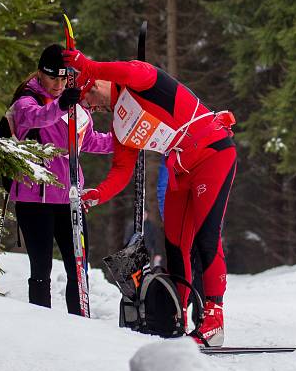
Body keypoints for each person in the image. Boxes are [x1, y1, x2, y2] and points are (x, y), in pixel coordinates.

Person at [63, 49, 236, 345]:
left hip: (212, 153)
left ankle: (213, 319)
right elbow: (121, 170)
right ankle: (177, 316)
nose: (90, 108)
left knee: (207, 237)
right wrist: (98, 194)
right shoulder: (121, 123)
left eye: (86, 101)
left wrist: (88, 65)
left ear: (92, 84)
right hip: (180, 167)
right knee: (174, 243)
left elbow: (128, 71)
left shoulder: (136, 80)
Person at [8, 44, 113, 314]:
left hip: (70, 197)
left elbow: (87, 141)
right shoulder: (26, 101)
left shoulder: (74, 102)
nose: (57, 84)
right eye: (52, 77)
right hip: (35, 198)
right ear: (41, 74)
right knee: (41, 268)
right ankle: (42, 328)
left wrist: (124, 142)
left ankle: (78, 323)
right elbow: (37, 118)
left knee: (78, 266)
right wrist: (62, 104)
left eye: (63, 78)